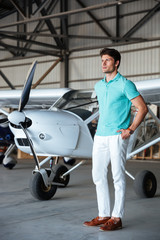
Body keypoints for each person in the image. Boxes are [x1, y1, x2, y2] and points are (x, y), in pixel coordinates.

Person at [83, 48, 148, 231]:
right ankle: (103, 214)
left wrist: (130, 129)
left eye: (108, 60)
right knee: (98, 175)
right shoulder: (98, 85)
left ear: (116, 63)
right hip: (100, 136)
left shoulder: (125, 84)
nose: (103, 63)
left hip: (118, 136)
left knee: (117, 176)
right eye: (102, 60)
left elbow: (141, 108)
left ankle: (117, 218)